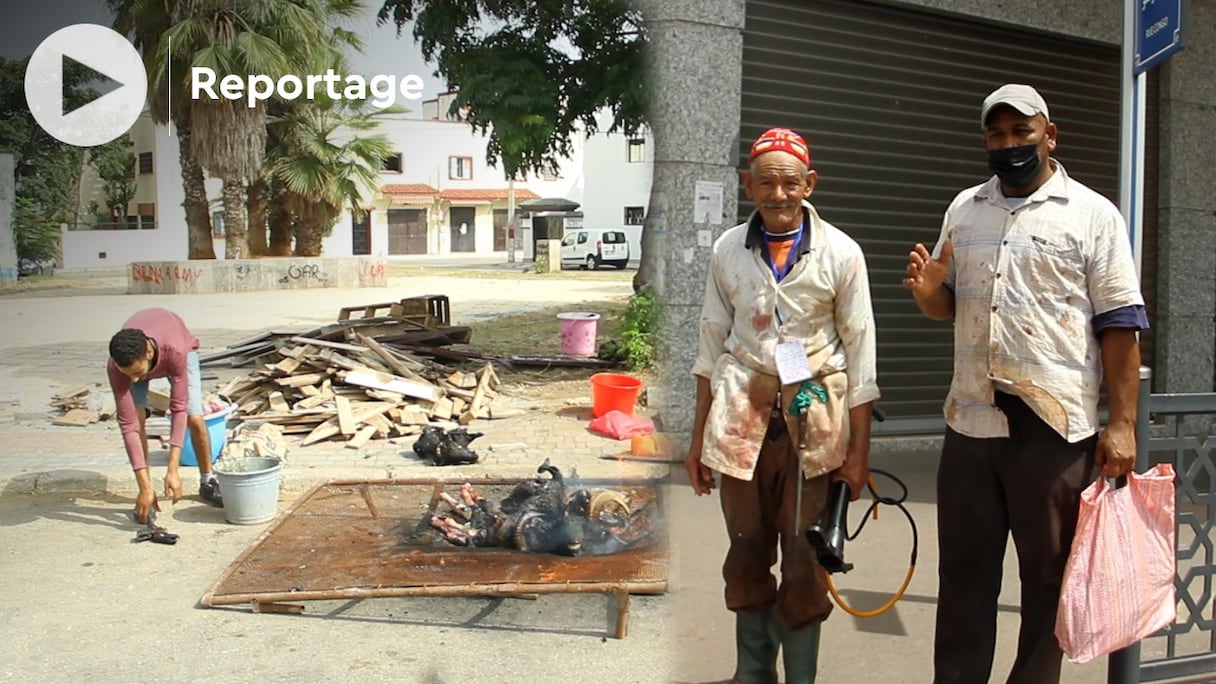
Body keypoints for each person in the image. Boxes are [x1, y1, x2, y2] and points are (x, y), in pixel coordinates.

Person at [903, 83, 1147, 683]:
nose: (1009, 145)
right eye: (997, 134)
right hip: (971, 424)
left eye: (1021, 133)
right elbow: (947, 306)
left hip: (1055, 431)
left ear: (1049, 135)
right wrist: (930, 294)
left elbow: (1120, 326)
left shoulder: (1092, 215)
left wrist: (1121, 423)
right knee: (963, 582)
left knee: (1046, 584)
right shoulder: (965, 209)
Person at [685, 127, 880, 683]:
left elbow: (862, 355)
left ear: (809, 185)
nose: (778, 194)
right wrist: (697, 440)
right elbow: (709, 344)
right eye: (766, 183)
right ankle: (752, 675)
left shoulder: (841, 253)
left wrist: (858, 454)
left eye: (789, 183)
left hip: (815, 421)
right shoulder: (727, 250)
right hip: (740, 417)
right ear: (749, 186)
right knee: (745, 554)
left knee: (804, 560)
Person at [108, 308, 224, 524]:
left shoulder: (175, 350)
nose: (133, 381)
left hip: (178, 348)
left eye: (135, 373)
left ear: (148, 352)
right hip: (144, 356)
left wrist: (173, 470)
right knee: (137, 418)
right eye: (128, 375)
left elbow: (178, 408)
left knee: (194, 416)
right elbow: (127, 426)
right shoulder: (117, 368)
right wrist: (144, 488)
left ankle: (208, 479)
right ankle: (147, 491)